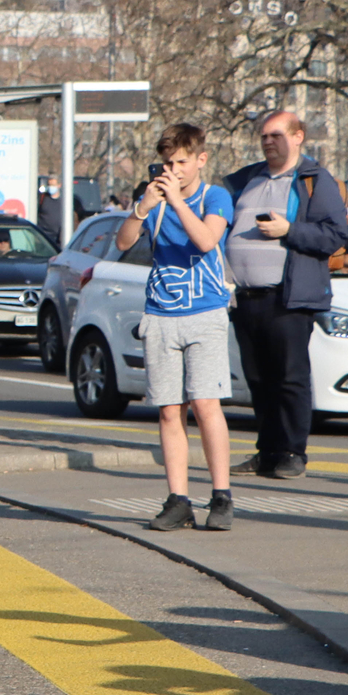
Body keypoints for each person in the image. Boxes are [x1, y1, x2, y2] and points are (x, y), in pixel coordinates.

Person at [115, 123, 236, 533]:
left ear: (200, 160)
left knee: (205, 404)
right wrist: (143, 207)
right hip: (161, 313)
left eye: (181, 162)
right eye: (167, 163)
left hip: (205, 311)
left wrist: (178, 200)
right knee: (169, 410)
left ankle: (221, 496)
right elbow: (123, 242)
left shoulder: (215, 196)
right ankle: (178, 499)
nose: (173, 170)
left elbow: (206, 240)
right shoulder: (154, 199)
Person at [223, 108, 348, 481]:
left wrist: (288, 230)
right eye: (264, 136)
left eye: (276, 135)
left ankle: (293, 452)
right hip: (246, 297)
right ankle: (268, 451)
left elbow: (334, 235)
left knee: (290, 376)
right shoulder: (247, 179)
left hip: (288, 296)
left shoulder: (313, 180)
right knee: (258, 378)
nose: (268, 141)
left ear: (298, 137)